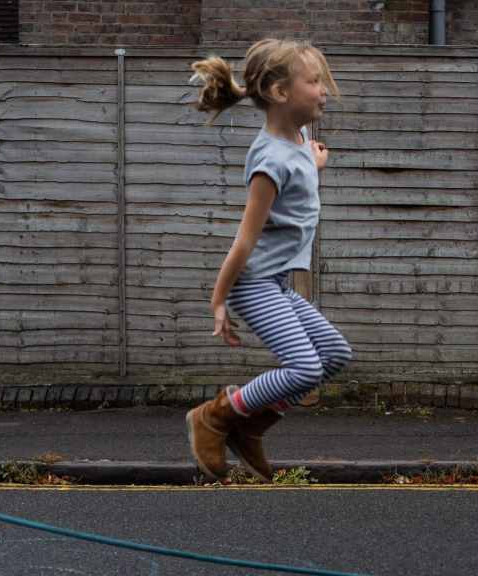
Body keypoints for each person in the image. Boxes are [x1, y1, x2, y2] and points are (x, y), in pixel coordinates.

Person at [184, 39, 352, 482]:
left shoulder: (297, 142)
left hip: (275, 282)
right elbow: (244, 239)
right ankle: (216, 416)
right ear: (280, 93)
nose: (324, 92)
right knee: (304, 367)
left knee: (334, 353)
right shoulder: (269, 161)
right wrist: (219, 301)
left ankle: (250, 426)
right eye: (314, 82)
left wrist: (312, 166)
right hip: (253, 282)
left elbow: (294, 187)